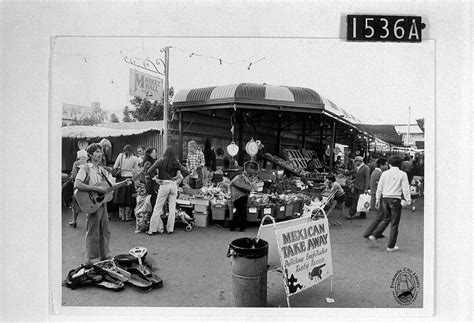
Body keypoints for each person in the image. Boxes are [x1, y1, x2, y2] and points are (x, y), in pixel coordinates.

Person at [74, 143, 132, 264]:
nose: (100, 154)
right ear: (90, 154)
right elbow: (77, 184)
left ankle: (105, 256)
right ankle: (92, 260)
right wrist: (96, 189)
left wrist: (123, 183)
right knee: (93, 232)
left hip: (101, 203)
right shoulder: (85, 168)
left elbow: (109, 187)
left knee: (105, 231)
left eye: (101, 152)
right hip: (91, 203)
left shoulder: (102, 171)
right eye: (96, 152)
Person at [371, 156, 411, 252]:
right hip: (395, 199)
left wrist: (377, 199)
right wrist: (408, 200)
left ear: (389, 164)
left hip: (385, 198)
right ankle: (391, 246)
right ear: (400, 164)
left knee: (386, 219)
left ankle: (375, 234)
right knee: (394, 223)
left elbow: (379, 187)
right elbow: (405, 188)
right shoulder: (403, 174)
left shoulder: (384, 173)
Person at [147, 146, 189, 235]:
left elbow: (149, 171)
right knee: (172, 208)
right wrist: (179, 177)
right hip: (173, 185)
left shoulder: (160, 161)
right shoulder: (176, 162)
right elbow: (186, 171)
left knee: (158, 207)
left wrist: (155, 178)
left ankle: (152, 229)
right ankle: (170, 229)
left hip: (164, 185)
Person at [363, 158, 389, 240]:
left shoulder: (376, 172)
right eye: (385, 164)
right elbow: (381, 186)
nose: (387, 166)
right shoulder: (379, 174)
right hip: (378, 197)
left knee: (380, 216)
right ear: (381, 165)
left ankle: (376, 232)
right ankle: (370, 232)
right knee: (380, 216)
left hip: (376, 196)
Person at [113, 144, 139, 221]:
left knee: (120, 197)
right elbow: (136, 171)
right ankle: (128, 216)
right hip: (130, 179)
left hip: (121, 179)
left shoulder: (120, 156)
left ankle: (122, 216)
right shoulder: (135, 158)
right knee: (128, 198)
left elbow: (114, 167)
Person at [229, 167, 256, 232]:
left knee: (239, 212)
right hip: (240, 196)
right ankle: (241, 227)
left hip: (238, 197)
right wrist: (249, 190)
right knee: (241, 212)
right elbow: (243, 188)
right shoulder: (239, 178)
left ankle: (235, 226)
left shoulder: (239, 178)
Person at [68, 150, 88, 228]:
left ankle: (74, 221)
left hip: (78, 187)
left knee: (75, 204)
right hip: (87, 186)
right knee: (88, 204)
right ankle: (88, 223)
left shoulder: (76, 163)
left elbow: (74, 175)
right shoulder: (88, 163)